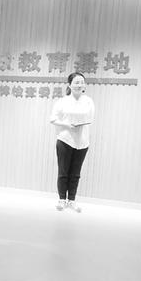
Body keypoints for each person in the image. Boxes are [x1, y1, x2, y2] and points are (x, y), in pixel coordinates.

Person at [50, 72, 95, 212]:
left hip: (82, 141)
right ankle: (62, 200)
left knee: (76, 173)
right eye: (76, 82)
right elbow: (53, 119)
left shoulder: (88, 101)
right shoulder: (62, 101)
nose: (79, 85)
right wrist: (67, 124)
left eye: (81, 82)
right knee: (63, 172)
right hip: (65, 139)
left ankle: (72, 201)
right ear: (69, 85)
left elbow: (91, 118)